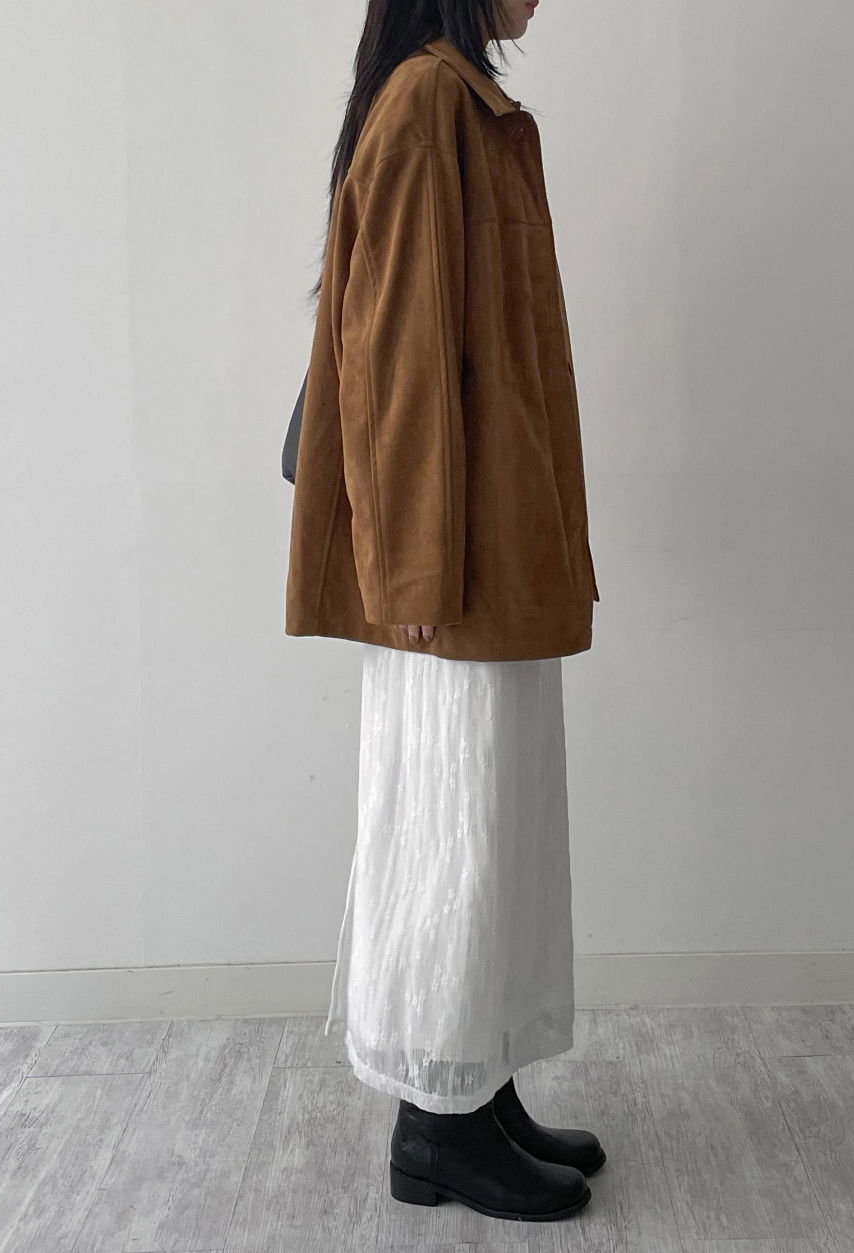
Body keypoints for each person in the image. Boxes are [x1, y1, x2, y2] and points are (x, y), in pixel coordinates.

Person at [285, 0, 605, 1224]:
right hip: (449, 562)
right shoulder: (428, 101)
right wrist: (412, 565)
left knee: (496, 824)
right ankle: (435, 1127)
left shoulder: (459, 102)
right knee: (451, 826)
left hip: (493, 539)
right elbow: (397, 351)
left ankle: (481, 1084)